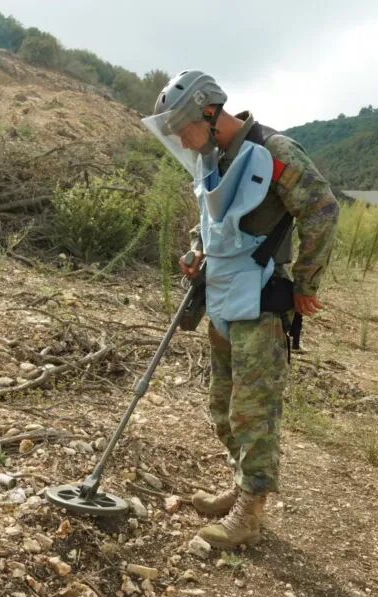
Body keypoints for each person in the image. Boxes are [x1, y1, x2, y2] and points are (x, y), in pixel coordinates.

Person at [142, 70, 339, 549]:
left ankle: (249, 513)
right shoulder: (214, 158)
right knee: (222, 409)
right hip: (224, 300)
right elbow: (214, 223)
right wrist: (195, 251)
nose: (182, 141)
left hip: (262, 301)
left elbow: (322, 209)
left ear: (209, 112)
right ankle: (240, 488)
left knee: (253, 413)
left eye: (184, 128)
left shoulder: (273, 151)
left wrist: (308, 281)